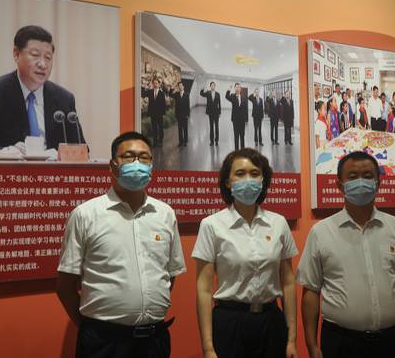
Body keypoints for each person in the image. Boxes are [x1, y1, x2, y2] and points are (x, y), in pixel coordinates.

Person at [56, 131, 186, 358]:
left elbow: (169, 274)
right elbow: (65, 285)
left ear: (151, 165)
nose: (137, 163)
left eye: (144, 157)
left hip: (154, 341)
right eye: (128, 156)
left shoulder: (165, 214)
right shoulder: (86, 215)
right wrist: (90, 329)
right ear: (112, 166)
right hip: (104, 343)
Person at [297, 151, 395, 358]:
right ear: (339, 185)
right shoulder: (321, 232)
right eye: (352, 176)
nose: (361, 182)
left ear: (378, 183)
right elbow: (311, 291)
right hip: (341, 343)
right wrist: (312, 345)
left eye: (368, 176)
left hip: (392, 341)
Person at [193, 148, 299, 358]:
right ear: (228, 182)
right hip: (230, 321)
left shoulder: (278, 223)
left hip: (271, 321)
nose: (248, 179)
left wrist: (291, 339)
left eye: (255, 173)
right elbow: (203, 289)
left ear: (263, 180)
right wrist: (208, 347)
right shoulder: (211, 225)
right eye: (240, 174)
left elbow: (288, 282)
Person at [0, 25, 83, 159]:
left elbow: (81, 150)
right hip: (12, 170)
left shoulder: (64, 99)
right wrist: (6, 152)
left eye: (48, 57)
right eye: (35, 55)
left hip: (53, 171)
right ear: (16, 54)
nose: (43, 64)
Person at [141, 77, 168, 148]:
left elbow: (163, 105)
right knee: (154, 128)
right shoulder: (150, 92)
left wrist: (163, 113)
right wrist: (144, 86)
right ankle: (155, 142)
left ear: (159, 84)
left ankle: (160, 141)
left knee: (160, 128)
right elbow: (143, 94)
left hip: (159, 114)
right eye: (154, 83)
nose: (155, 84)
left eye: (156, 83)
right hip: (152, 113)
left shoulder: (162, 94)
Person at [226, 83, 249, 151]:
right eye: (236, 87)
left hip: (242, 120)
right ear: (235, 88)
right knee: (236, 136)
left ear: (240, 89)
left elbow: (246, 109)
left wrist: (246, 119)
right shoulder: (232, 96)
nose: (237, 88)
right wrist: (229, 89)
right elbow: (226, 96)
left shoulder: (244, 97)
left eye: (239, 87)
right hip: (235, 120)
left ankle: (242, 150)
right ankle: (236, 150)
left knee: (242, 136)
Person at [168, 81, 191, 147]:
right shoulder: (176, 94)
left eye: (181, 86)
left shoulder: (187, 94)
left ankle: (185, 141)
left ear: (183, 87)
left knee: (185, 128)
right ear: (178, 87)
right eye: (179, 86)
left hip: (185, 114)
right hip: (178, 114)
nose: (180, 87)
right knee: (180, 128)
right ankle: (181, 141)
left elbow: (188, 105)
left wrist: (188, 114)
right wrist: (171, 88)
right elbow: (170, 95)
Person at [200, 82, 222, 146]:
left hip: (216, 113)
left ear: (215, 86)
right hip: (210, 113)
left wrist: (220, 112)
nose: (212, 86)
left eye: (213, 85)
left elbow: (219, 103)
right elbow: (201, 94)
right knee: (211, 127)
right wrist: (202, 89)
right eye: (211, 85)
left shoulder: (218, 94)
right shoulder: (208, 93)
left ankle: (216, 141)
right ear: (210, 86)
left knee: (217, 127)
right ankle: (212, 141)